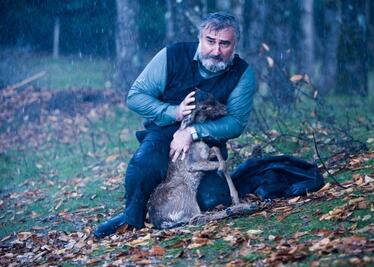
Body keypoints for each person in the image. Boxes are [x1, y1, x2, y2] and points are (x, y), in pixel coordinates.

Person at [94, 11, 257, 238]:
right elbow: (135, 96)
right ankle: (132, 217)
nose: (216, 50)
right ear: (200, 38)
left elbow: (236, 123)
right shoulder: (172, 55)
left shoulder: (243, 74)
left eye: (224, 44)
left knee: (212, 199)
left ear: (235, 44)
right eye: (210, 41)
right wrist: (175, 112)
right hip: (163, 132)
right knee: (143, 166)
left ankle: (173, 206)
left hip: (207, 142)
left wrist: (193, 132)